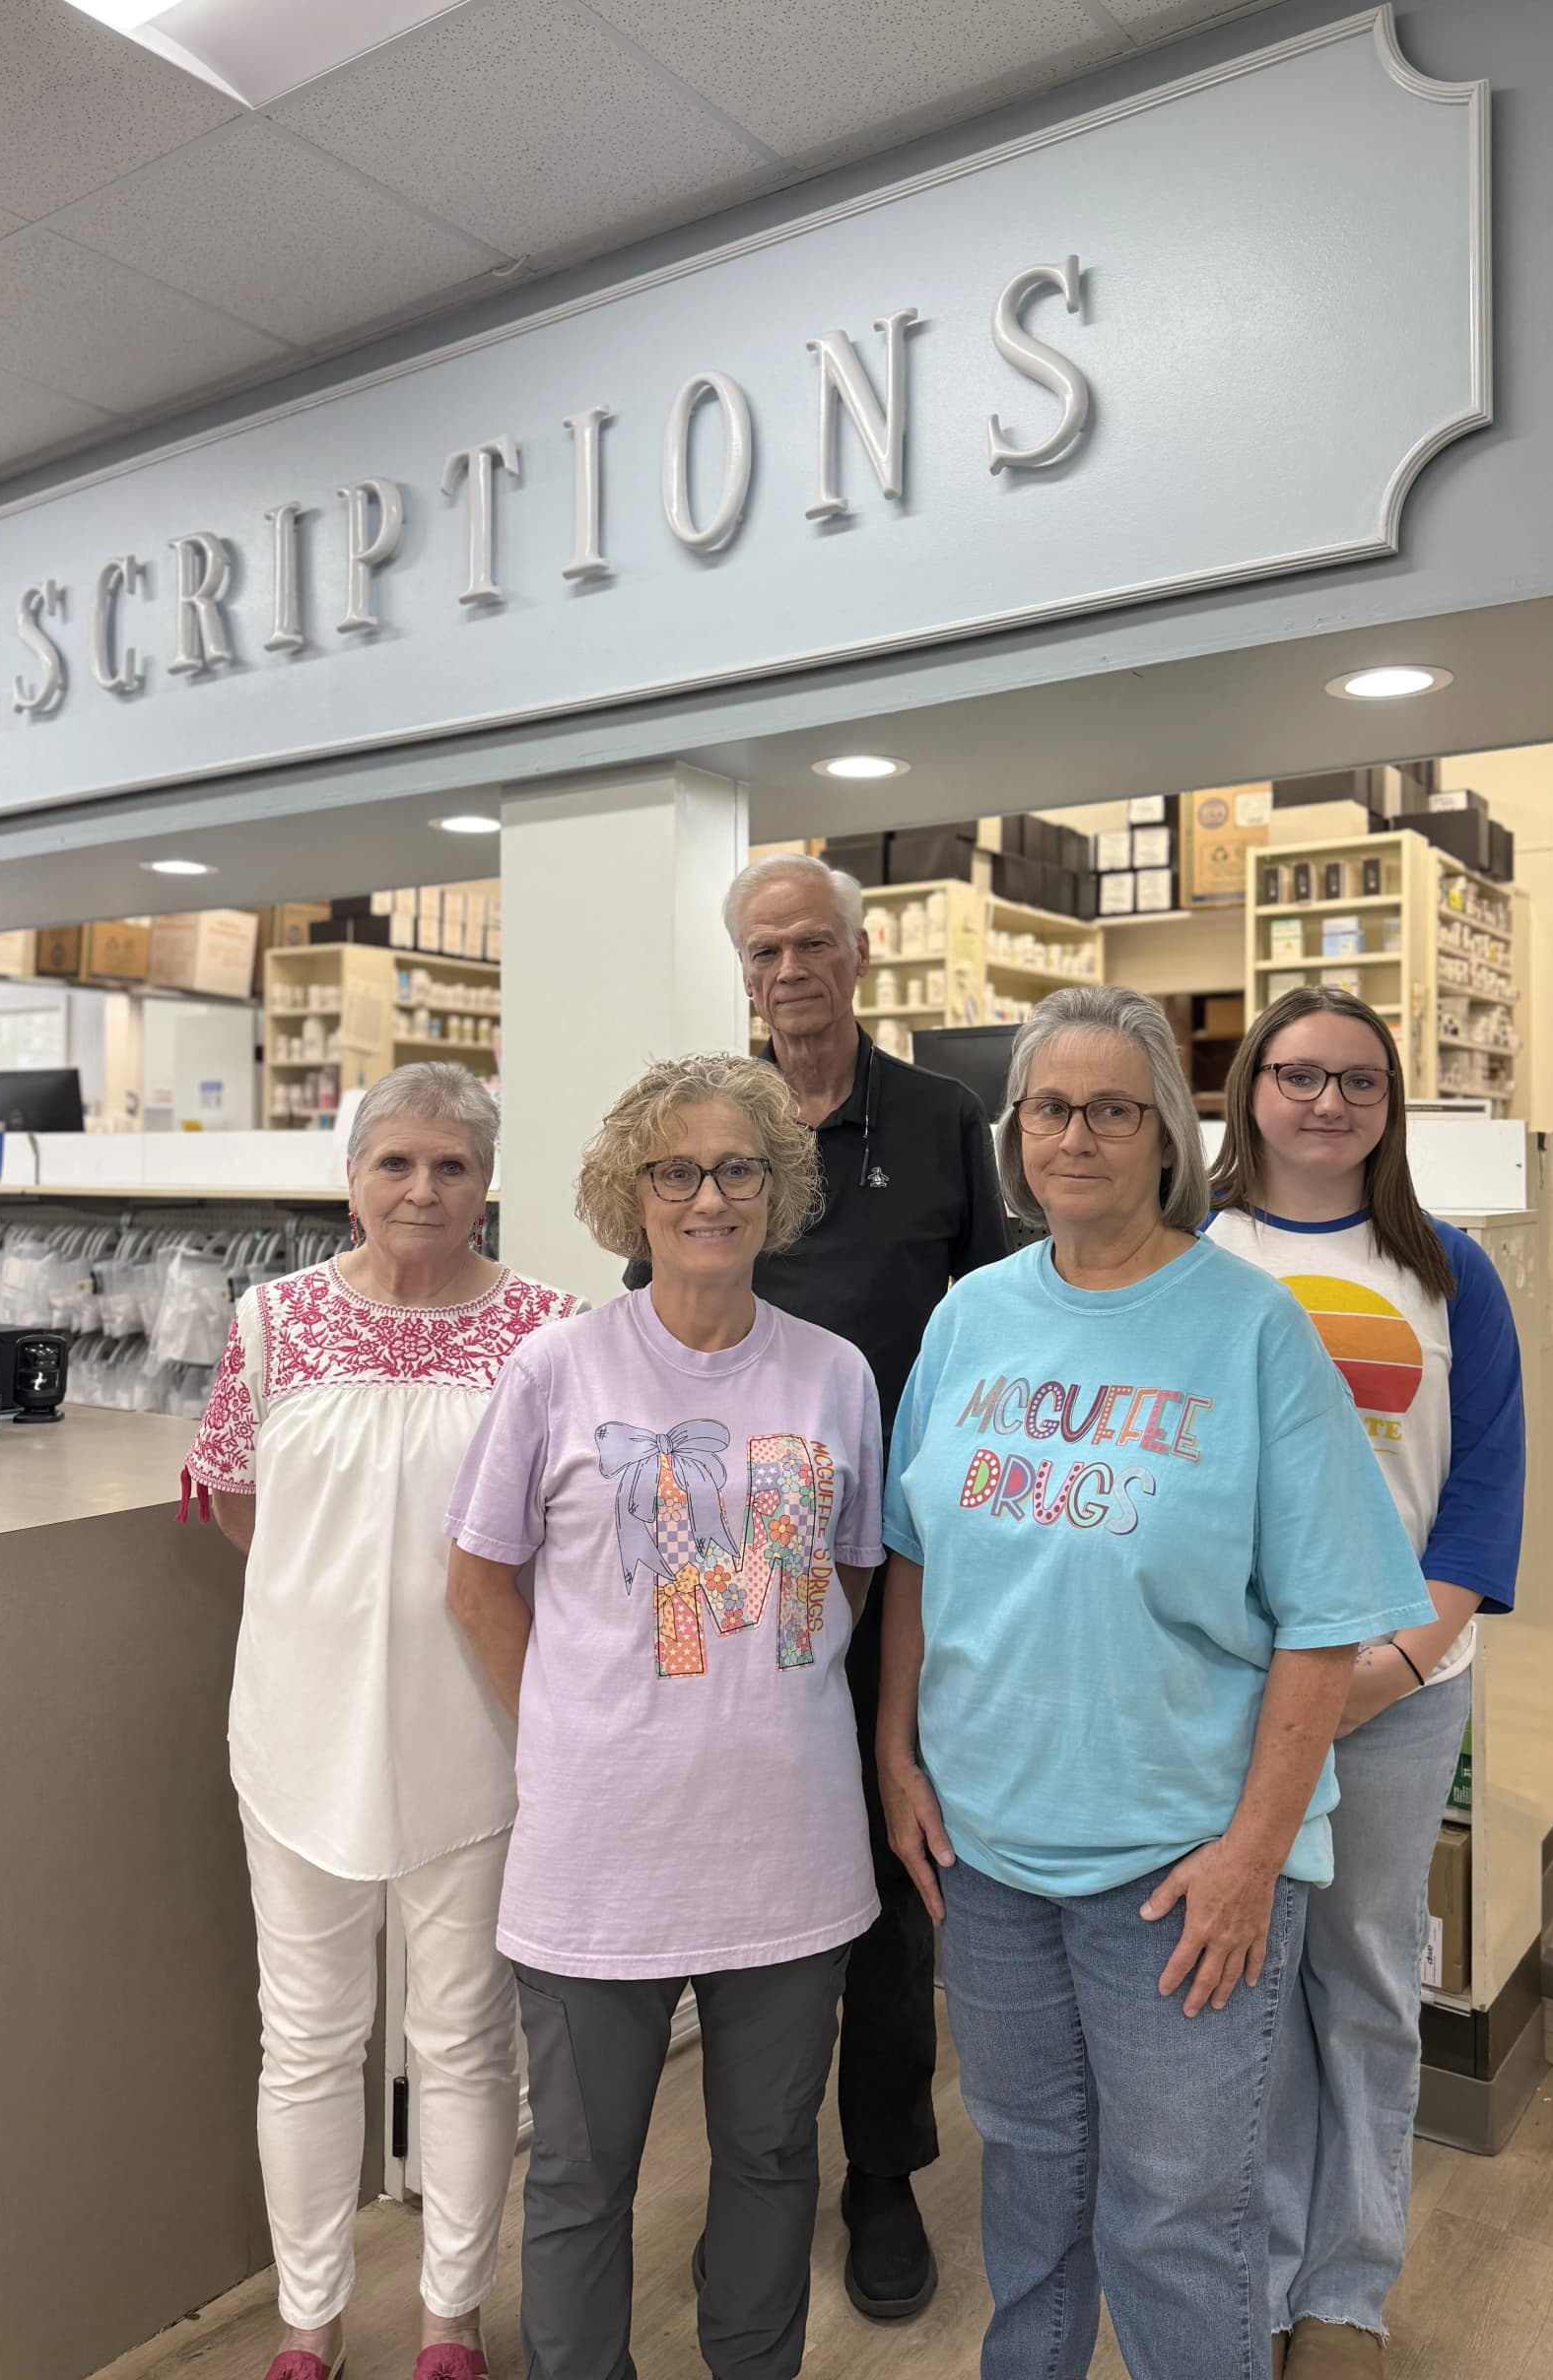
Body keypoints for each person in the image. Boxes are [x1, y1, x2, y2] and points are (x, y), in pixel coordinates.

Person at [876, 984, 1436, 2380]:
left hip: (1182, 1868)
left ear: (1164, 1140)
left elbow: (1323, 1625)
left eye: (1112, 1108)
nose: (1077, 1134)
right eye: (1050, 1108)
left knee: (1181, 2219)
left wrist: (1257, 1851)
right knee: (1030, 2181)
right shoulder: (968, 1320)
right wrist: (896, 1758)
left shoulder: (1250, 1331)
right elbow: (910, 1557)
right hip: (993, 1855)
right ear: (1017, 1137)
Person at [446, 1052, 886, 2380]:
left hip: (789, 1844)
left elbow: (853, 1567)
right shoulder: (554, 1370)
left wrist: (765, 1692)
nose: (709, 1195)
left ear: (776, 1189)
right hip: (600, 1850)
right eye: (677, 1171)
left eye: (738, 1168)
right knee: (583, 2173)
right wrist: (575, 1730)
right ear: (627, 1195)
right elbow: (477, 1584)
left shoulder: (835, 1377)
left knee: (768, 2155)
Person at [629, 850, 1009, 2319]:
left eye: (812, 946)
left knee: (895, 1882)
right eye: (765, 950)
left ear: (859, 958)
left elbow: (985, 1323)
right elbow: (644, 1301)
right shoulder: (707, 1122)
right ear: (744, 970)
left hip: (894, 1569)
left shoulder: (939, 1119)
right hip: (730, 1570)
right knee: (744, 1871)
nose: (789, 972)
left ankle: (884, 2172)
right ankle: (755, 2164)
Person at [182, 1062, 580, 2380]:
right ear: (352, 1178)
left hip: (477, 1733)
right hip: (296, 1730)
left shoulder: (548, 1330)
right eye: (396, 1162)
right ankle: (310, 2324)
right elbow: (243, 1502)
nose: (423, 1188)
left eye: (452, 1165)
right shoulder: (272, 1322)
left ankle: (451, 2318)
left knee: (462, 2036)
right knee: (303, 2036)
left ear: (487, 1184)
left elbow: (560, 1532)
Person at [1206, 985, 1525, 2377]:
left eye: (1358, 1081)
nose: (1327, 1102)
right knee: (1253, 1990)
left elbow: (1485, 1492)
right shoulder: (1189, 1256)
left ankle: (1349, 2288)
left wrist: (1391, 1664)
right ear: (1247, 1091)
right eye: (1298, 1075)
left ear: (1392, 1108)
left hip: (1403, 1688)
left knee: (1372, 1987)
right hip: (1224, 1695)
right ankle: (1264, 2281)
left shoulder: (1452, 1269)